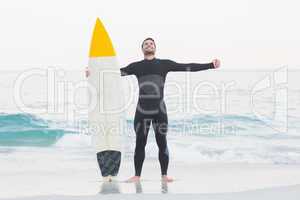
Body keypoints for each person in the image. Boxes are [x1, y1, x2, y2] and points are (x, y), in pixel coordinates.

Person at [86, 37, 220, 183]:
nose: (149, 45)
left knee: (162, 142)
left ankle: (164, 175)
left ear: (155, 47)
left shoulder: (164, 64)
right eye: (146, 44)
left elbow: (187, 67)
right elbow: (113, 74)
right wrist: (92, 73)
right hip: (142, 111)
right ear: (142, 49)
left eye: (151, 43)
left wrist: (210, 65)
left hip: (159, 111)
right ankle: (137, 176)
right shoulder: (136, 66)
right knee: (140, 143)